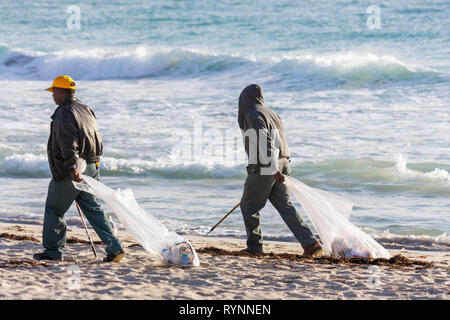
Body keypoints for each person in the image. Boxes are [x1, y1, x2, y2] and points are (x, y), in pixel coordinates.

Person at [33, 75, 125, 262]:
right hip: (92, 166)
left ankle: (52, 252)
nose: (52, 95)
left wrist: (72, 167)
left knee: (54, 210)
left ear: (61, 91)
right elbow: (95, 139)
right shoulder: (85, 108)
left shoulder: (64, 111)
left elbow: (68, 143)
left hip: (72, 171)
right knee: (93, 209)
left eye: (54, 91)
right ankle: (115, 248)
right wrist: (88, 166)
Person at [238, 84, 323, 257]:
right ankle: (310, 243)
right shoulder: (272, 114)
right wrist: (278, 167)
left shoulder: (253, 114)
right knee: (285, 206)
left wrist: (271, 167)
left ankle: (254, 248)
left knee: (248, 207)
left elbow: (264, 141)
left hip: (266, 167)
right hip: (284, 163)